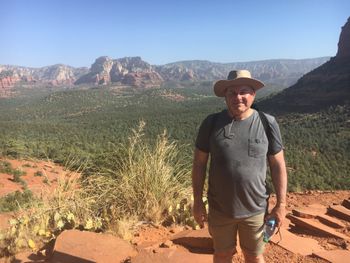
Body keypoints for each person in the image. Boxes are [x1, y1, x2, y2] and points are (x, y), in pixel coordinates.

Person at [192, 70, 287, 263]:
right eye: (232, 93)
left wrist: (281, 204)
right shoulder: (211, 123)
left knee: (254, 256)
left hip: (256, 209)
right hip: (220, 209)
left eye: (244, 91)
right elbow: (199, 164)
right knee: (222, 255)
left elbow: (278, 164)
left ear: (253, 94)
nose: (238, 97)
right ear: (225, 96)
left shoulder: (267, 123)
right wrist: (197, 201)